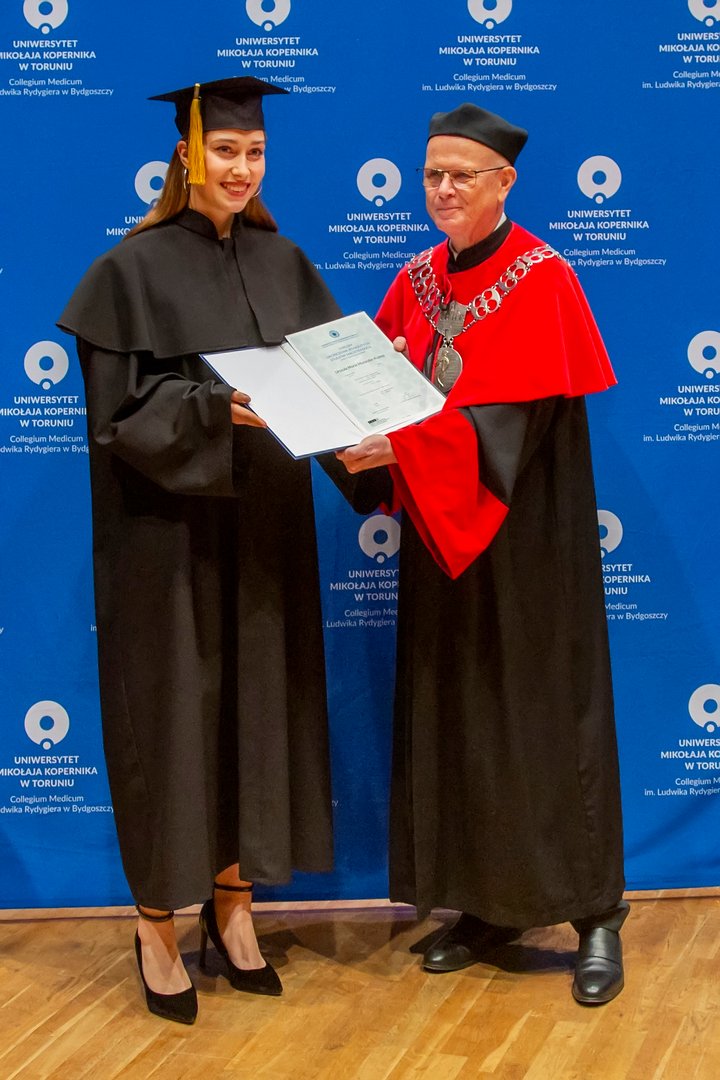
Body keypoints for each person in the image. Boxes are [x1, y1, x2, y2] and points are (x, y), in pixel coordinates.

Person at [58, 76, 341, 1024]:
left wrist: (373, 432)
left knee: (257, 709)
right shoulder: (128, 272)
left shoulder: (283, 260)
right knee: (173, 717)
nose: (240, 167)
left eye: (254, 152)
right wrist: (213, 408)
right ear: (187, 153)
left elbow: (330, 382)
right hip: (166, 538)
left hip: (264, 526)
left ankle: (234, 907)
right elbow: (118, 415)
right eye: (224, 150)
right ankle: (154, 923)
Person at [337, 103, 628, 1005]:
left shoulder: (543, 277)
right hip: (442, 541)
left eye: (461, 175)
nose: (443, 189)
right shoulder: (417, 278)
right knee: (460, 717)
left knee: (546, 718)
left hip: (528, 547)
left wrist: (405, 444)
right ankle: (490, 905)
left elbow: (513, 427)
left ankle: (596, 915)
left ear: (506, 182)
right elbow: (380, 392)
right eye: (432, 175)